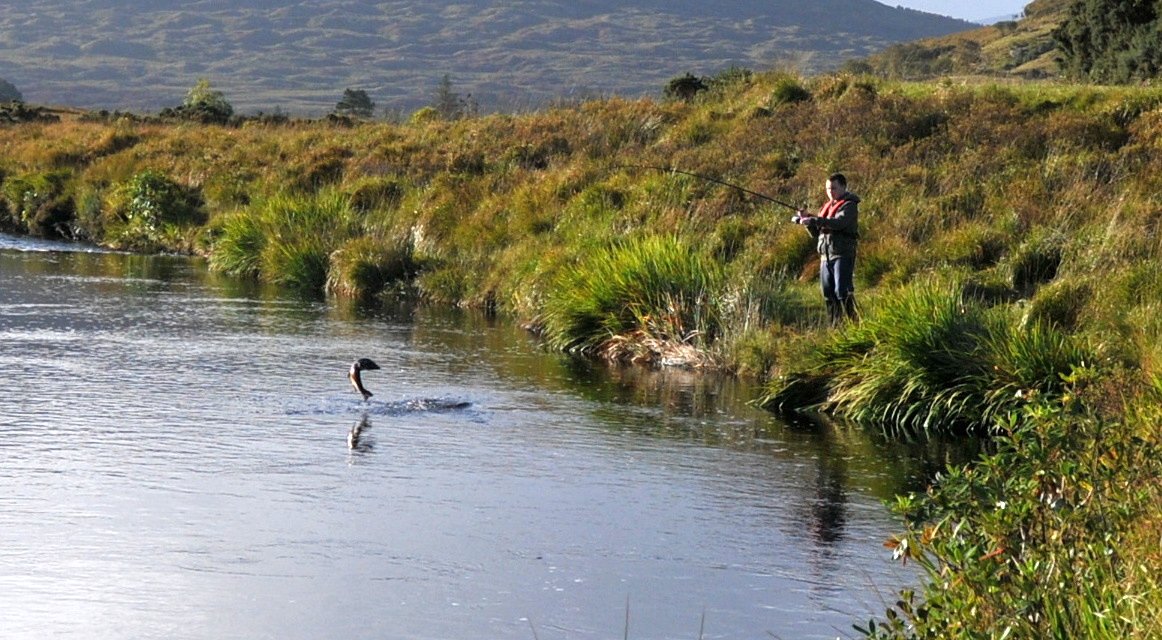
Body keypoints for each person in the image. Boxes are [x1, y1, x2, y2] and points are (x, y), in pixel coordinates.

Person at [793, 173, 860, 325]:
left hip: (842, 254)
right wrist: (807, 222)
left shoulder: (849, 205)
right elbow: (816, 233)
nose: (831, 192)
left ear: (843, 187)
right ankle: (836, 327)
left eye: (834, 188)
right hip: (826, 256)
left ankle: (856, 323)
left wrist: (814, 219)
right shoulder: (826, 207)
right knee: (828, 294)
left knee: (842, 292)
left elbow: (838, 223)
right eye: (828, 189)